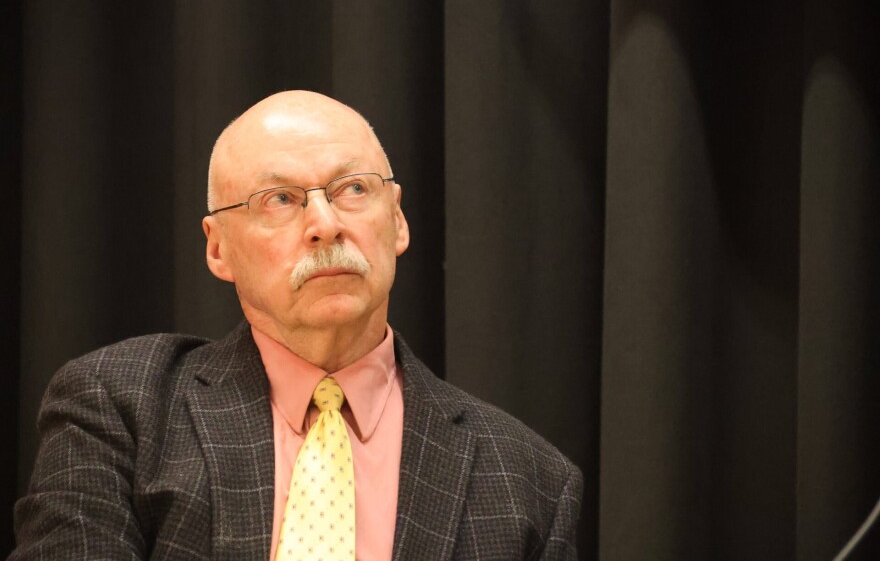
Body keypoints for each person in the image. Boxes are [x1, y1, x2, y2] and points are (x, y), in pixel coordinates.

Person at [12, 91, 582, 560]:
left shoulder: (527, 478)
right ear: (218, 249)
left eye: (353, 189)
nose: (325, 225)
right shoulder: (123, 408)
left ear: (399, 221)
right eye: (279, 199)